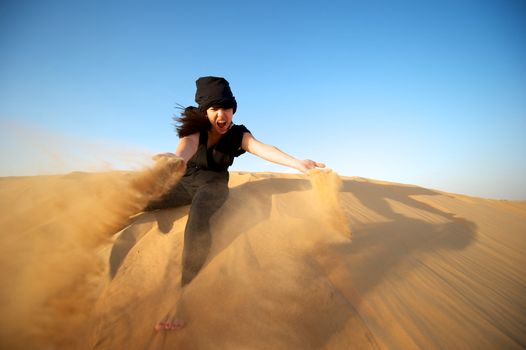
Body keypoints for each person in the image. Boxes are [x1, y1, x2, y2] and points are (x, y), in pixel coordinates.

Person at [146, 76, 324, 330]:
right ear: (204, 111)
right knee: (144, 198)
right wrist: (178, 159)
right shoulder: (194, 125)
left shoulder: (237, 134)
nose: (222, 114)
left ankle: (183, 293)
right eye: (214, 108)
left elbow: (262, 148)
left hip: (213, 186)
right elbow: (188, 145)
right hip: (185, 179)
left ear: (233, 109)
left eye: (226, 107)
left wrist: (298, 163)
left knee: (199, 218)